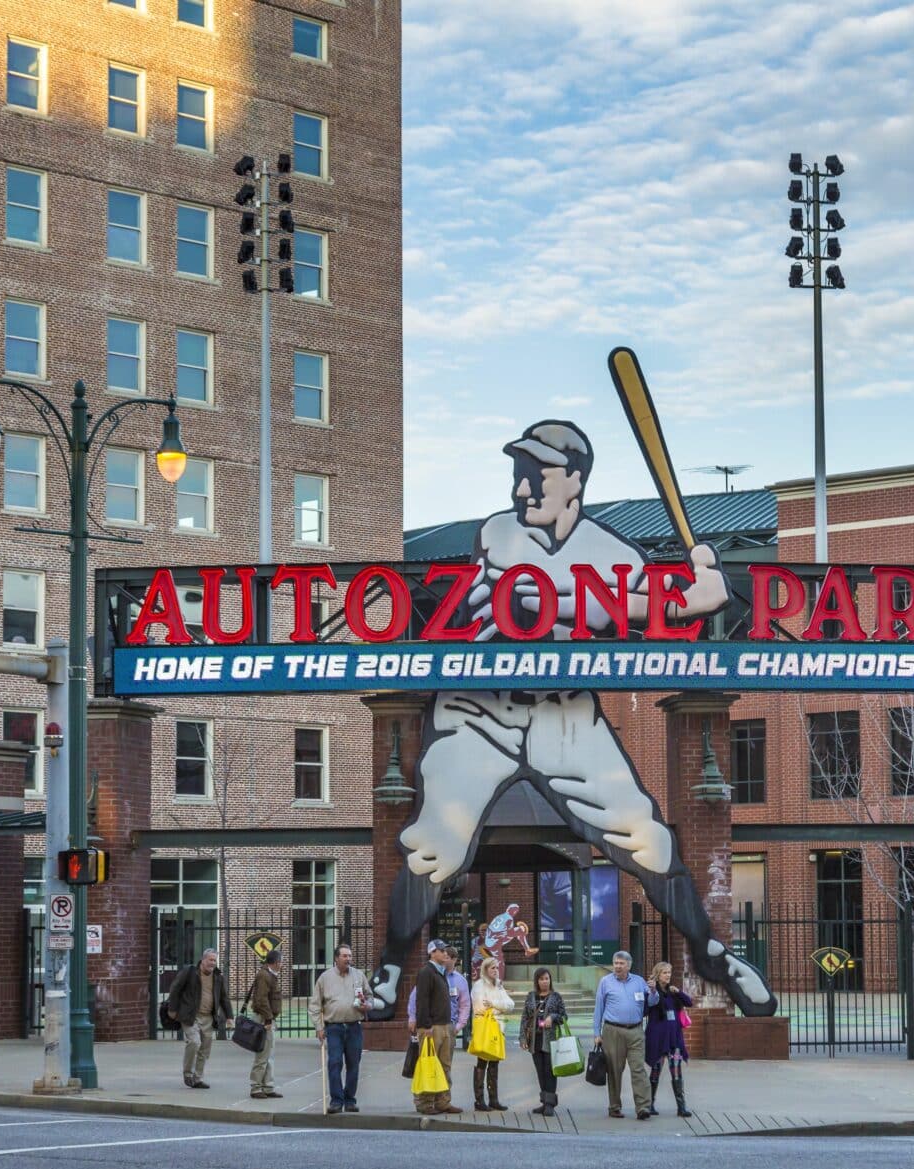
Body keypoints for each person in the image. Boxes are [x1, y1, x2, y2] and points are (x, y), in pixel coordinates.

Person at [365, 422, 776, 1025]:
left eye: (540, 475)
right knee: (436, 846)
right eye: (520, 473)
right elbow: (548, 604)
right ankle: (392, 968)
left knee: (648, 837)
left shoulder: (617, 554)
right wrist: (687, 600)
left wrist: (693, 594)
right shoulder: (499, 533)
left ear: (576, 480)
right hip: (483, 707)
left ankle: (716, 956)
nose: (524, 488)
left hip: (566, 713)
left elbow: (635, 610)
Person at [592, 950, 654, 1119]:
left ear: (629, 965)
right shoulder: (605, 982)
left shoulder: (639, 982)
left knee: (638, 1069)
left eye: (621, 963)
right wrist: (597, 1033)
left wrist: (654, 992)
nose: (617, 966)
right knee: (614, 1070)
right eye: (615, 963)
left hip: (635, 1030)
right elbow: (599, 1008)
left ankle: (643, 1107)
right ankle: (614, 1107)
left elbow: (652, 1002)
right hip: (613, 1031)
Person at [312, 944, 371, 1113]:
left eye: (350, 956)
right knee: (335, 1063)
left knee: (354, 1064)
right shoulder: (325, 978)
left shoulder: (359, 976)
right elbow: (315, 1005)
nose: (348, 959)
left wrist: (368, 1005)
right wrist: (319, 1027)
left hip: (354, 1027)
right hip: (334, 1028)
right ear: (336, 958)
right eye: (344, 956)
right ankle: (336, 1101)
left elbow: (369, 996)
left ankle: (350, 1099)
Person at [166, 948, 232, 1089]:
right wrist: (172, 1009)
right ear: (203, 960)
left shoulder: (218, 977)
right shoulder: (190, 972)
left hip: (209, 1017)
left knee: (205, 1050)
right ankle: (188, 1074)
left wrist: (229, 1017)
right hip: (191, 1016)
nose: (212, 963)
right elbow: (175, 989)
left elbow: (224, 998)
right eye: (210, 960)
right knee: (194, 1042)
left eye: (215, 960)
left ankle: (198, 1078)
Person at [409, 939, 460, 1115]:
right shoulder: (426, 972)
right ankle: (424, 1103)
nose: (445, 953)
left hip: (445, 1025)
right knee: (429, 1065)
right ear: (432, 953)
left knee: (444, 1065)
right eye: (441, 950)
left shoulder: (441, 972)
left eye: (446, 950)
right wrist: (426, 1025)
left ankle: (443, 1101)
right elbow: (421, 1000)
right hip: (432, 1028)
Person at [644, 961, 695, 1118]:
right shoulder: (652, 992)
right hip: (658, 1039)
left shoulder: (673, 992)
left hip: (674, 1039)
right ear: (658, 974)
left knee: (676, 1070)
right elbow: (645, 1010)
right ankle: (649, 1104)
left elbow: (689, 1002)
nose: (668, 975)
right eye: (665, 972)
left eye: (669, 973)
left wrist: (678, 992)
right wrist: (652, 992)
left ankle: (681, 1107)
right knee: (656, 1070)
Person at [469, 955, 515, 1111]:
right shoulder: (479, 985)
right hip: (485, 1029)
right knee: (482, 1061)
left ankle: (493, 1099)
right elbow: (481, 1007)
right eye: (492, 968)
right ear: (485, 969)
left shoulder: (499, 986)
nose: (496, 970)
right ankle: (479, 1100)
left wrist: (494, 1004)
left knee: (495, 1062)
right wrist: (498, 1008)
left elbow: (511, 1005)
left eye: (497, 967)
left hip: (498, 1028)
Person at [520, 966, 566, 1117]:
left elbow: (564, 1016)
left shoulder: (556, 997)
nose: (545, 982)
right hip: (535, 1040)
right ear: (537, 981)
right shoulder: (531, 996)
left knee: (550, 1071)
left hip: (550, 1040)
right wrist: (522, 1038)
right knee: (540, 1072)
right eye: (541, 979)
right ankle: (544, 1101)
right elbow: (525, 1018)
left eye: (547, 978)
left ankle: (550, 1104)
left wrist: (552, 1017)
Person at [244, 948, 284, 1101]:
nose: (282, 964)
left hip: (268, 1018)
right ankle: (256, 1087)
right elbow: (261, 1000)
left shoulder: (270, 975)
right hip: (263, 1019)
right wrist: (268, 1019)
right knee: (262, 1054)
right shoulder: (264, 976)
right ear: (275, 962)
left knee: (269, 1055)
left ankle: (267, 1086)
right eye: (281, 961)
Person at [475, 903, 539, 972]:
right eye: (515, 911)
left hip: (490, 941)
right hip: (496, 940)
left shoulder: (499, 916)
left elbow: (493, 929)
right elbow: (509, 932)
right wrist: (521, 930)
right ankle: (527, 950)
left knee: (499, 961)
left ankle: (527, 950)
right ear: (512, 910)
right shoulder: (509, 918)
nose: (515, 912)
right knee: (521, 929)